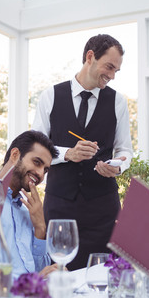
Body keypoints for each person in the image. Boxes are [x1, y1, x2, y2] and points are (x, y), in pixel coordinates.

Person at [33, 34, 133, 270]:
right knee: (59, 276)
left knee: (105, 276)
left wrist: (118, 165)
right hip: (59, 209)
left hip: (103, 210)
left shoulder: (118, 101)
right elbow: (35, 147)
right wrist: (68, 153)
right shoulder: (50, 96)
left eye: (117, 70)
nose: (112, 75)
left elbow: (124, 149)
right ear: (90, 57)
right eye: (109, 67)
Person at [0, 130, 59, 278]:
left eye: (45, 170)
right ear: (15, 155)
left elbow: (39, 271)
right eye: (37, 162)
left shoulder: (28, 210)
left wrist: (40, 227)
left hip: (32, 296)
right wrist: (32, 281)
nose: (40, 174)